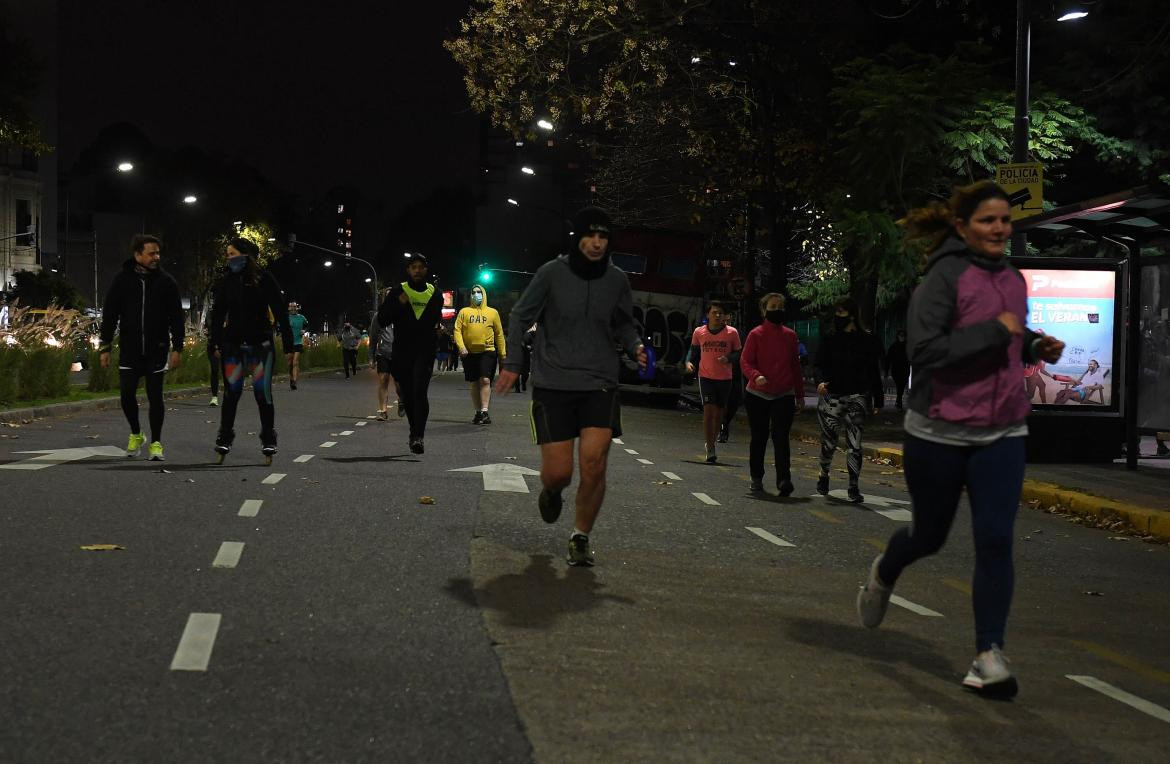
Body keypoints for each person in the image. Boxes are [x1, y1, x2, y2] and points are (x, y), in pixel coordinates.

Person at [856, 181, 1066, 698]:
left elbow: (1013, 337)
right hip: (939, 429)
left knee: (995, 537)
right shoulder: (941, 279)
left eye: (1004, 221)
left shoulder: (1014, 278)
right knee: (930, 536)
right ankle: (885, 569)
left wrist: (1037, 344)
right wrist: (999, 331)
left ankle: (988, 653)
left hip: (1003, 428)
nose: (998, 229)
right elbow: (924, 352)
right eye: (987, 221)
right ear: (961, 227)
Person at [495, 206, 646, 567]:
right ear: (577, 238)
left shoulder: (617, 280)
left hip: (600, 382)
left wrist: (636, 346)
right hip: (554, 384)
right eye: (590, 235)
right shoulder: (551, 274)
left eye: (603, 237)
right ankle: (551, 491)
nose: (596, 243)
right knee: (559, 473)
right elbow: (519, 316)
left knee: (594, 463)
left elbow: (625, 323)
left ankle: (581, 536)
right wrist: (513, 364)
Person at [98, 234, 184, 461]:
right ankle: (136, 433)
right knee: (126, 394)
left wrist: (178, 348)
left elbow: (177, 317)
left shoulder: (166, 282)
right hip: (130, 349)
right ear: (137, 255)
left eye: (158, 253)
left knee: (156, 397)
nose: (156, 257)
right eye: (151, 253)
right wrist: (104, 347)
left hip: (157, 348)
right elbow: (109, 315)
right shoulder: (122, 280)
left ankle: (156, 443)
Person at [208, 237, 294, 462]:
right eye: (227, 255)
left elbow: (280, 310)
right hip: (233, 345)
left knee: (262, 393)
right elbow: (217, 314)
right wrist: (214, 342)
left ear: (246, 255)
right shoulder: (227, 282)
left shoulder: (264, 279)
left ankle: (268, 438)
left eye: (233, 254)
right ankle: (225, 436)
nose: (229, 259)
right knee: (231, 392)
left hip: (260, 346)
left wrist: (288, 344)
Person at [814, 298, 884, 503]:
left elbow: (873, 371)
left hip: (857, 395)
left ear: (852, 315)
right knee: (829, 441)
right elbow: (818, 363)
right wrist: (820, 382)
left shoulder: (867, 341)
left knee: (855, 443)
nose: (838, 317)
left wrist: (878, 399)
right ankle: (823, 474)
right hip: (833, 394)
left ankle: (854, 485)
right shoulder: (829, 338)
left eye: (841, 313)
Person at [376, 252, 443, 454]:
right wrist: (399, 304)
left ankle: (417, 436)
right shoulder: (398, 292)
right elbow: (382, 320)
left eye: (421, 267)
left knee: (420, 391)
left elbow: (432, 321)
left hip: (425, 351)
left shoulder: (435, 294)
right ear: (408, 270)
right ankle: (414, 430)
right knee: (407, 392)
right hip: (402, 352)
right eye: (413, 267)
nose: (417, 270)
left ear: (426, 270)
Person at [740, 292, 804, 495]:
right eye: (773, 307)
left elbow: (795, 366)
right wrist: (756, 375)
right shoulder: (756, 334)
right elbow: (745, 361)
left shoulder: (790, 336)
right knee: (759, 436)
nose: (777, 311)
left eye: (780, 307)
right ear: (764, 310)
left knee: (781, 437)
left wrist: (800, 395)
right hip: (757, 393)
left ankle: (784, 479)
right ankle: (756, 477)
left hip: (783, 393)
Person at [686, 302, 741, 463]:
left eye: (721, 313)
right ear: (708, 315)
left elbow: (739, 353)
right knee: (708, 411)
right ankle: (710, 447)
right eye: (715, 312)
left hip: (725, 378)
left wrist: (728, 358)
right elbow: (693, 350)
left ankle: (713, 441)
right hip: (706, 377)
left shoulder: (732, 333)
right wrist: (688, 362)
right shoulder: (699, 332)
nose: (718, 316)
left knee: (719, 415)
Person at [455, 283, 507, 425]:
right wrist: (461, 347)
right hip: (469, 353)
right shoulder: (464, 312)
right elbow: (457, 330)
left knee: (485, 380)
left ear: (484, 294)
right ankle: (478, 412)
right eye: (473, 292)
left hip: (488, 351)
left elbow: (499, 334)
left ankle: (485, 411)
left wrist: (503, 354)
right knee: (474, 382)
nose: (476, 294)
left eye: (479, 292)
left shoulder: (493, 312)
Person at [368, 300, 398, 420]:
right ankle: (383, 411)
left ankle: (402, 400)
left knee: (399, 384)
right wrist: (371, 357)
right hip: (382, 353)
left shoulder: (404, 314)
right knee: (383, 380)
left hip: (399, 354)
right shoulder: (378, 316)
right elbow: (373, 336)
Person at [885, 329, 910, 410]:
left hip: (905, 369)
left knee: (901, 386)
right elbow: (888, 360)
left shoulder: (907, 346)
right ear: (898, 336)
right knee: (900, 385)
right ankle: (899, 402)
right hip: (896, 370)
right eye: (900, 335)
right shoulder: (893, 347)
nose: (902, 337)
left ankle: (898, 401)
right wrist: (886, 371)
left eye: (903, 336)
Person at [286, 302, 307, 390]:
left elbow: (306, 326)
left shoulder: (301, 317)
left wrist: (304, 330)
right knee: (290, 363)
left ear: (297, 308)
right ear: (289, 308)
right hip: (289, 343)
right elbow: (281, 328)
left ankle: (294, 382)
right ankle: (291, 379)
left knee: (295, 362)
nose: (294, 308)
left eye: (295, 307)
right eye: (292, 307)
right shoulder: (286, 318)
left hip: (298, 342)